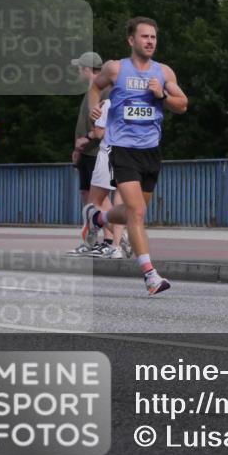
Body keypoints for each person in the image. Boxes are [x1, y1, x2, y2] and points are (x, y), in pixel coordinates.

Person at [83, 17, 188, 295]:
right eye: (144, 37)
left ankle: (98, 219)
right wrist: (94, 113)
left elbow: (183, 104)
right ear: (131, 40)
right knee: (137, 213)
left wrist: (161, 95)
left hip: (151, 151)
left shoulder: (163, 72)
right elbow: (95, 86)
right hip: (123, 149)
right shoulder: (116, 69)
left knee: (133, 211)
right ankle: (150, 275)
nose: (150, 41)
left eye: (153, 37)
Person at [67, 51, 120, 257]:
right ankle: (92, 241)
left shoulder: (104, 91)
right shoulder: (90, 91)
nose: (78, 72)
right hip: (86, 152)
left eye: (80, 68)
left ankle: (110, 239)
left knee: (100, 197)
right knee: (87, 197)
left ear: (87, 69)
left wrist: (86, 141)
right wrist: (77, 149)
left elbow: (104, 126)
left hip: (98, 151)